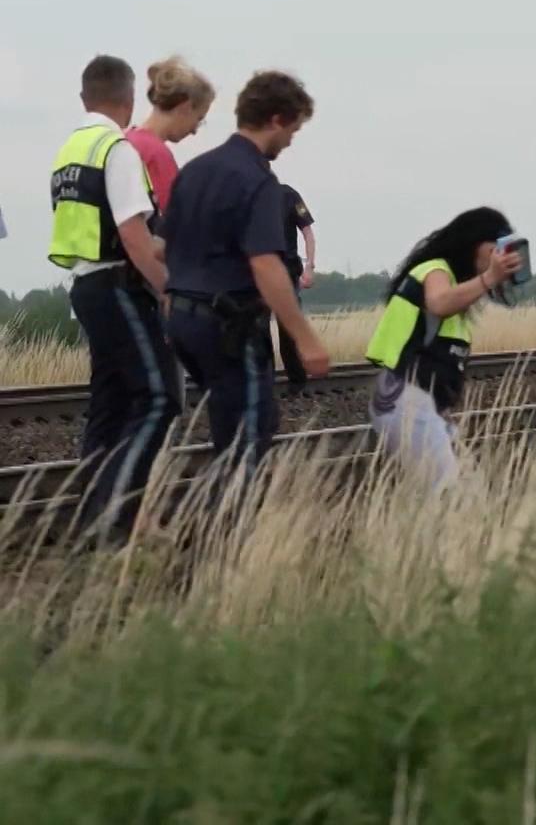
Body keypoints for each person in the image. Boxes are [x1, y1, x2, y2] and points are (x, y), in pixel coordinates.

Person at [163, 70, 330, 478]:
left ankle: (219, 503)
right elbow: (266, 264)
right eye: (293, 129)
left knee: (228, 427)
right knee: (250, 437)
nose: (290, 140)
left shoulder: (195, 171)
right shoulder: (258, 180)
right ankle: (233, 515)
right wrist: (305, 339)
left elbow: (163, 246)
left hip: (182, 321)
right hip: (227, 326)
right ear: (276, 119)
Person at [48, 54, 180, 544]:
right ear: (129, 99)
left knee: (110, 404)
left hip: (85, 288)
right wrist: (167, 288)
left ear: (84, 98)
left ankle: (90, 523)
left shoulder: (69, 152)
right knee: (160, 397)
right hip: (119, 286)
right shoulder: (115, 149)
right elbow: (131, 233)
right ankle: (116, 517)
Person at [364, 208, 524, 492]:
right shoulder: (435, 270)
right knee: (451, 495)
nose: (498, 257)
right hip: (404, 397)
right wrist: (489, 278)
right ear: (474, 244)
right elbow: (439, 303)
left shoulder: (459, 288)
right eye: (495, 249)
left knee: (471, 491)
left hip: (424, 403)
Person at [123, 56, 216, 218]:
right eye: (198, 119)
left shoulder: (124, 138)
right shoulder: (157, 154)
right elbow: (173, 218)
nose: (194, 130)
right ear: (185, 107)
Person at [272, 169, 318, 387]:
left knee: (289, 329)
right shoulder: (247, 198)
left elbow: (307, 232)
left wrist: (310, 266)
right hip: (257, 272)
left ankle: (297, 381)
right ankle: (264, 382)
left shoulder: (288, 196)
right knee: (257, 330)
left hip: (287, 271)